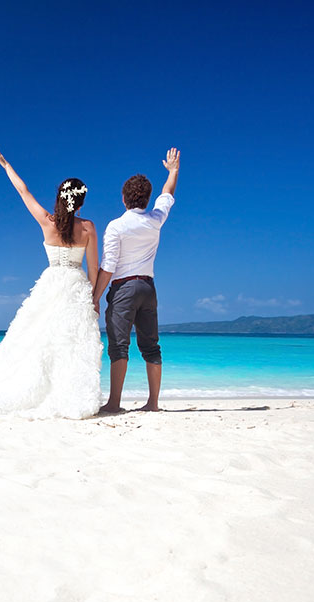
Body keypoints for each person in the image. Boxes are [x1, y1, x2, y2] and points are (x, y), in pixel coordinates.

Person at [0, 147, 103, 419]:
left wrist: (6, 165)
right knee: (69, 343)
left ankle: (41, 390)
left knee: (37, 340)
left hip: (51, 283)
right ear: (80, 203)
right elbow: (94, 268)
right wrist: (93, 298)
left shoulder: (47, 222)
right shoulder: (88, 228)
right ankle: (65, 393)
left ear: (59, 199)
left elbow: (24, 191)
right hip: (75, 286)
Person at [96, 148, 180, 412]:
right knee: (151, 345)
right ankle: (153, 403)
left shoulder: (116, 226)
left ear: (123, 198)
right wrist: (174, 171)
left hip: (124, 288)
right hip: (148, 287)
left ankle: (114, 403)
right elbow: (167, 196)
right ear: (146, 199)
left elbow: (108, 266)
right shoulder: (155, 220)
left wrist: (95, 297)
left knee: (119, 346)